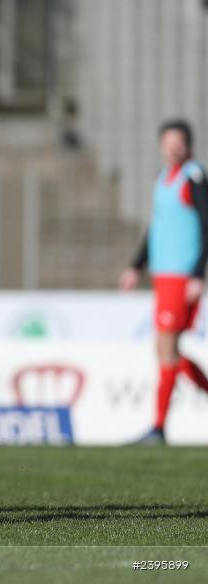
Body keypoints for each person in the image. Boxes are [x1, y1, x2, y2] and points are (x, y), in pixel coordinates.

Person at [120, 119, 208, 444]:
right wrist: (135, 265)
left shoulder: (194, 177)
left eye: (179, 142)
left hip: (183, 275)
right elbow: (155, 228)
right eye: (169, 142)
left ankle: (158, 427)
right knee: (165, 348)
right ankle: (158, 427)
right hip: (163, 274)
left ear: (188, 145)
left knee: (167, 346)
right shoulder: (163, 179)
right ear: (161, 146)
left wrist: (198, 273)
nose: (174, 148)